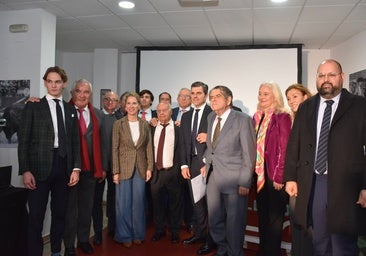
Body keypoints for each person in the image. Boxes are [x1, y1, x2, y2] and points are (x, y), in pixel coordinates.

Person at [284, 59, 366, 255]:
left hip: (347, 185)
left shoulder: (360, 106)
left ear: (342, 77)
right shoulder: (306, 107)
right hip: (314, 183)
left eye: (331, 75)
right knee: (319, 240)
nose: (326, 79)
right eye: (321, 75)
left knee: (342, 243)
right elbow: (294, 143)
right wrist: (290, 177)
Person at [18, 66, 81, 256]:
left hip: (63, 167)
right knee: (36, 217)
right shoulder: (34, 106)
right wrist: (25, 170)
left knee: (60, 214)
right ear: (45, 83)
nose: (53, 85)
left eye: (58, 81)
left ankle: (55, 251)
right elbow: (24, 141)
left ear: (64, 84)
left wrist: (76, 168)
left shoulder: (71, 110)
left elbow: (75, 142)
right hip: (38, 169)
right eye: (50, 81)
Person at [202, 85, 256, 256]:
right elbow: (212, 146)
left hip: (235, 180)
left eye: (218, 96)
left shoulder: (242, 119)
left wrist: (245, 181)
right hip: (213, 178)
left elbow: (249, 153)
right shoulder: (211, 117)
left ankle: (234, 252)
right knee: (214, 219)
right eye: (211, 97)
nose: (213, 99)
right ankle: (222, 248)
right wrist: (206, 161)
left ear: (228, 100)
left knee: (234, 222)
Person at [63, 79, 105, 256]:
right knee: (70, 210)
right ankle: (69, 245)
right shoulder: (63, 111)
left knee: (87, 208)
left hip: (90, 170)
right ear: (72, 93)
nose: (82, 95)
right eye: (78, 91)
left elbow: (102, 143)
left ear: (90, 95)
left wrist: (101, 168)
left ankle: (82, 240)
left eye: (86, 92)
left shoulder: (97, 114)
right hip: (69, 170)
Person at [253, 82, 292, 256]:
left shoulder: (282, 117)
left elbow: (285, 149)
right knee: (262, 217)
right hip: (259, 175)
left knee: (275, 221)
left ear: (275, 96)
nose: (261, 97)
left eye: (266, 94)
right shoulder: (256, 117)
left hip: (274, 175)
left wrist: (279, 176)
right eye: (260, 93)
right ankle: (263, 251)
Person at [112, 92, 153, 248]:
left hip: (141, 168)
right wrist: (115, 171)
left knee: (139, 202)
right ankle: (124, 235)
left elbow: (149, 148)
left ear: (139, 105)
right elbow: (114, 148)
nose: (131, 106)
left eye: (134, 103)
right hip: (123, 168)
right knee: (123, 203)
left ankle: (138, 234)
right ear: (125, 105)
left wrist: (149, 167)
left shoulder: (145, 124)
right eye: (128, 103)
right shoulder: (119, 124)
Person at [180, 81, 215, 255]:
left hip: (208, 164)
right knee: (197, 203)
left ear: (205, 95)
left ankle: (211, 239)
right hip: (190, 164)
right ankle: (200, 234)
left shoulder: (213, 113)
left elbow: (219, 139)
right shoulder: (186, 116)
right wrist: (184, 164)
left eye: (198, 93)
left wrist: (205, 162)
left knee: (210, 204)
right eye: (192, 93)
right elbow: (182, 143)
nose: (195, 96)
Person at [285, 84, 313, 256]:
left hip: (309, 179)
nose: (291, 101)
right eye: (288, 98)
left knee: (308, 225)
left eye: (295, 96)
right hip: (294, 179)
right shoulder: (291, 119)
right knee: (297, 222)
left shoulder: (314, 118)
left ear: (305, 96)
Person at [150, 102, 183, 244]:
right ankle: (159, 230)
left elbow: (182, 150)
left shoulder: (178, 129)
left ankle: (175, 232)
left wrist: (178, 170)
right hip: (156, 173)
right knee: (157, 204)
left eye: (164, 110)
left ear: (171, 112)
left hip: (173, 172)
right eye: (159, 111)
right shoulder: (151, 128)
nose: (161, 113)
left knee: (175, 204)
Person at [92, 91, 120, 245]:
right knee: (96, 201)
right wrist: (101, 167)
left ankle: (112, 227)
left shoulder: (120, 118)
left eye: (114, 100)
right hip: (99, 167)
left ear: (118, 103)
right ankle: (97, 233)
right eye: (107, 99)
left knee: (114, 198)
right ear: (103, 100)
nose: (110, 102)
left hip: (115, 167)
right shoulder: (95, 116)